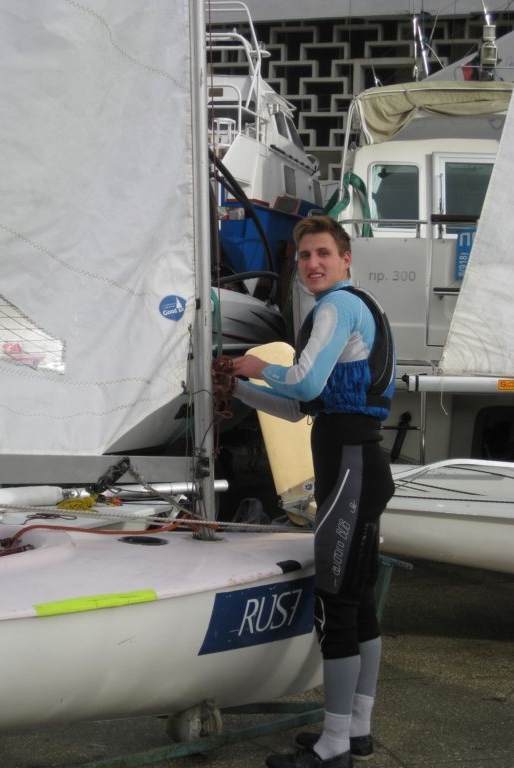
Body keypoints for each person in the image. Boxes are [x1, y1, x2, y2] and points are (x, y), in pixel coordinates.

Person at [216, 215, 396, 768]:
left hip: (349, 468)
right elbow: (301, 408)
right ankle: (356, 730)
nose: (312, 263)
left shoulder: (337, 307)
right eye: (304, 256)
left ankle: (333, 745)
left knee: (336, 602)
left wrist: (258, 365)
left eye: (323, 253)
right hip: (361, 464)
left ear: (346, 260)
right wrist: (240, 389)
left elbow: (304, 382)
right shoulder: (360, 307)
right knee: (359, 603)